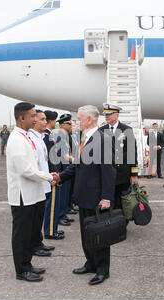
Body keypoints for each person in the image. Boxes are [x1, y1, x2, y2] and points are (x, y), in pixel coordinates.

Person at [52, 105, 116, 286]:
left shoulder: (101, 139)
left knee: (99, 236)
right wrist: (60, 178)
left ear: (89, 119)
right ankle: (91, 263)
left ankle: (103, 270)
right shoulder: (85, 138)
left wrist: (106, 198)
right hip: (84, 196)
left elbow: (108, 171)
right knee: (86, 235)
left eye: (79, 118)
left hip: (97, 198)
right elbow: (77, 165)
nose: (76, 122)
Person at [6, 102, 54, 283]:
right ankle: (22, 270)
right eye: (33, 116)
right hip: (22, 195)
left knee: (28, 233)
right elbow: (26, 170)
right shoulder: (16, 139)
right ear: (22, 118)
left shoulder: (24, 136)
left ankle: (27, 264)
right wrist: (49, 176)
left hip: (31, 193)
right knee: (21, 235)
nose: (35, 119)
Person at [99, 104, 138, 210]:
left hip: (122, 174)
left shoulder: (126, 130)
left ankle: (121, 224)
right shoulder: (101, 130)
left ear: (116, 115)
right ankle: (110, 225)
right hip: (106, 174)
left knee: (122, 203)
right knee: (108, 201)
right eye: (105, 114)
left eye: (109, 114)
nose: (106, 116)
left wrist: (134, 174)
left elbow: (132, 153)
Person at [28, 110, 57, 256]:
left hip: (44, 182)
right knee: (35, 219)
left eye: (46, 119)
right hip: (39, 183)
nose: (45, 122)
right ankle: (34, 246)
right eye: (42, 119)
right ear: (34, 121)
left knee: (39, 217)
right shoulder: (32, 139)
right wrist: (47, 177)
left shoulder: (40, 137)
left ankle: (38, 242)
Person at [43, 110, 65, 237]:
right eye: (54, 120)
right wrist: (54, 175)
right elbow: (50, 159)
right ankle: (50, 232)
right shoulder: (47, 137)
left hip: (54, 173)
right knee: (51, 206)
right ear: (51, 121)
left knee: (54, 204)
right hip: (52, 175)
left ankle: (53, 229)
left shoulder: (49, 136)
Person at [56, 114, 76, 226]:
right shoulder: (60, 136)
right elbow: (63, 154)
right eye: (69, 124)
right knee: (62, 194)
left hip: (67, 167)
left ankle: (63, 214)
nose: (70, 126)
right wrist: (75, 161)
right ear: (63, 124)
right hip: (63, 168)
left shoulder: (66, 136)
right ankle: (60, 216)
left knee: (66, 194)